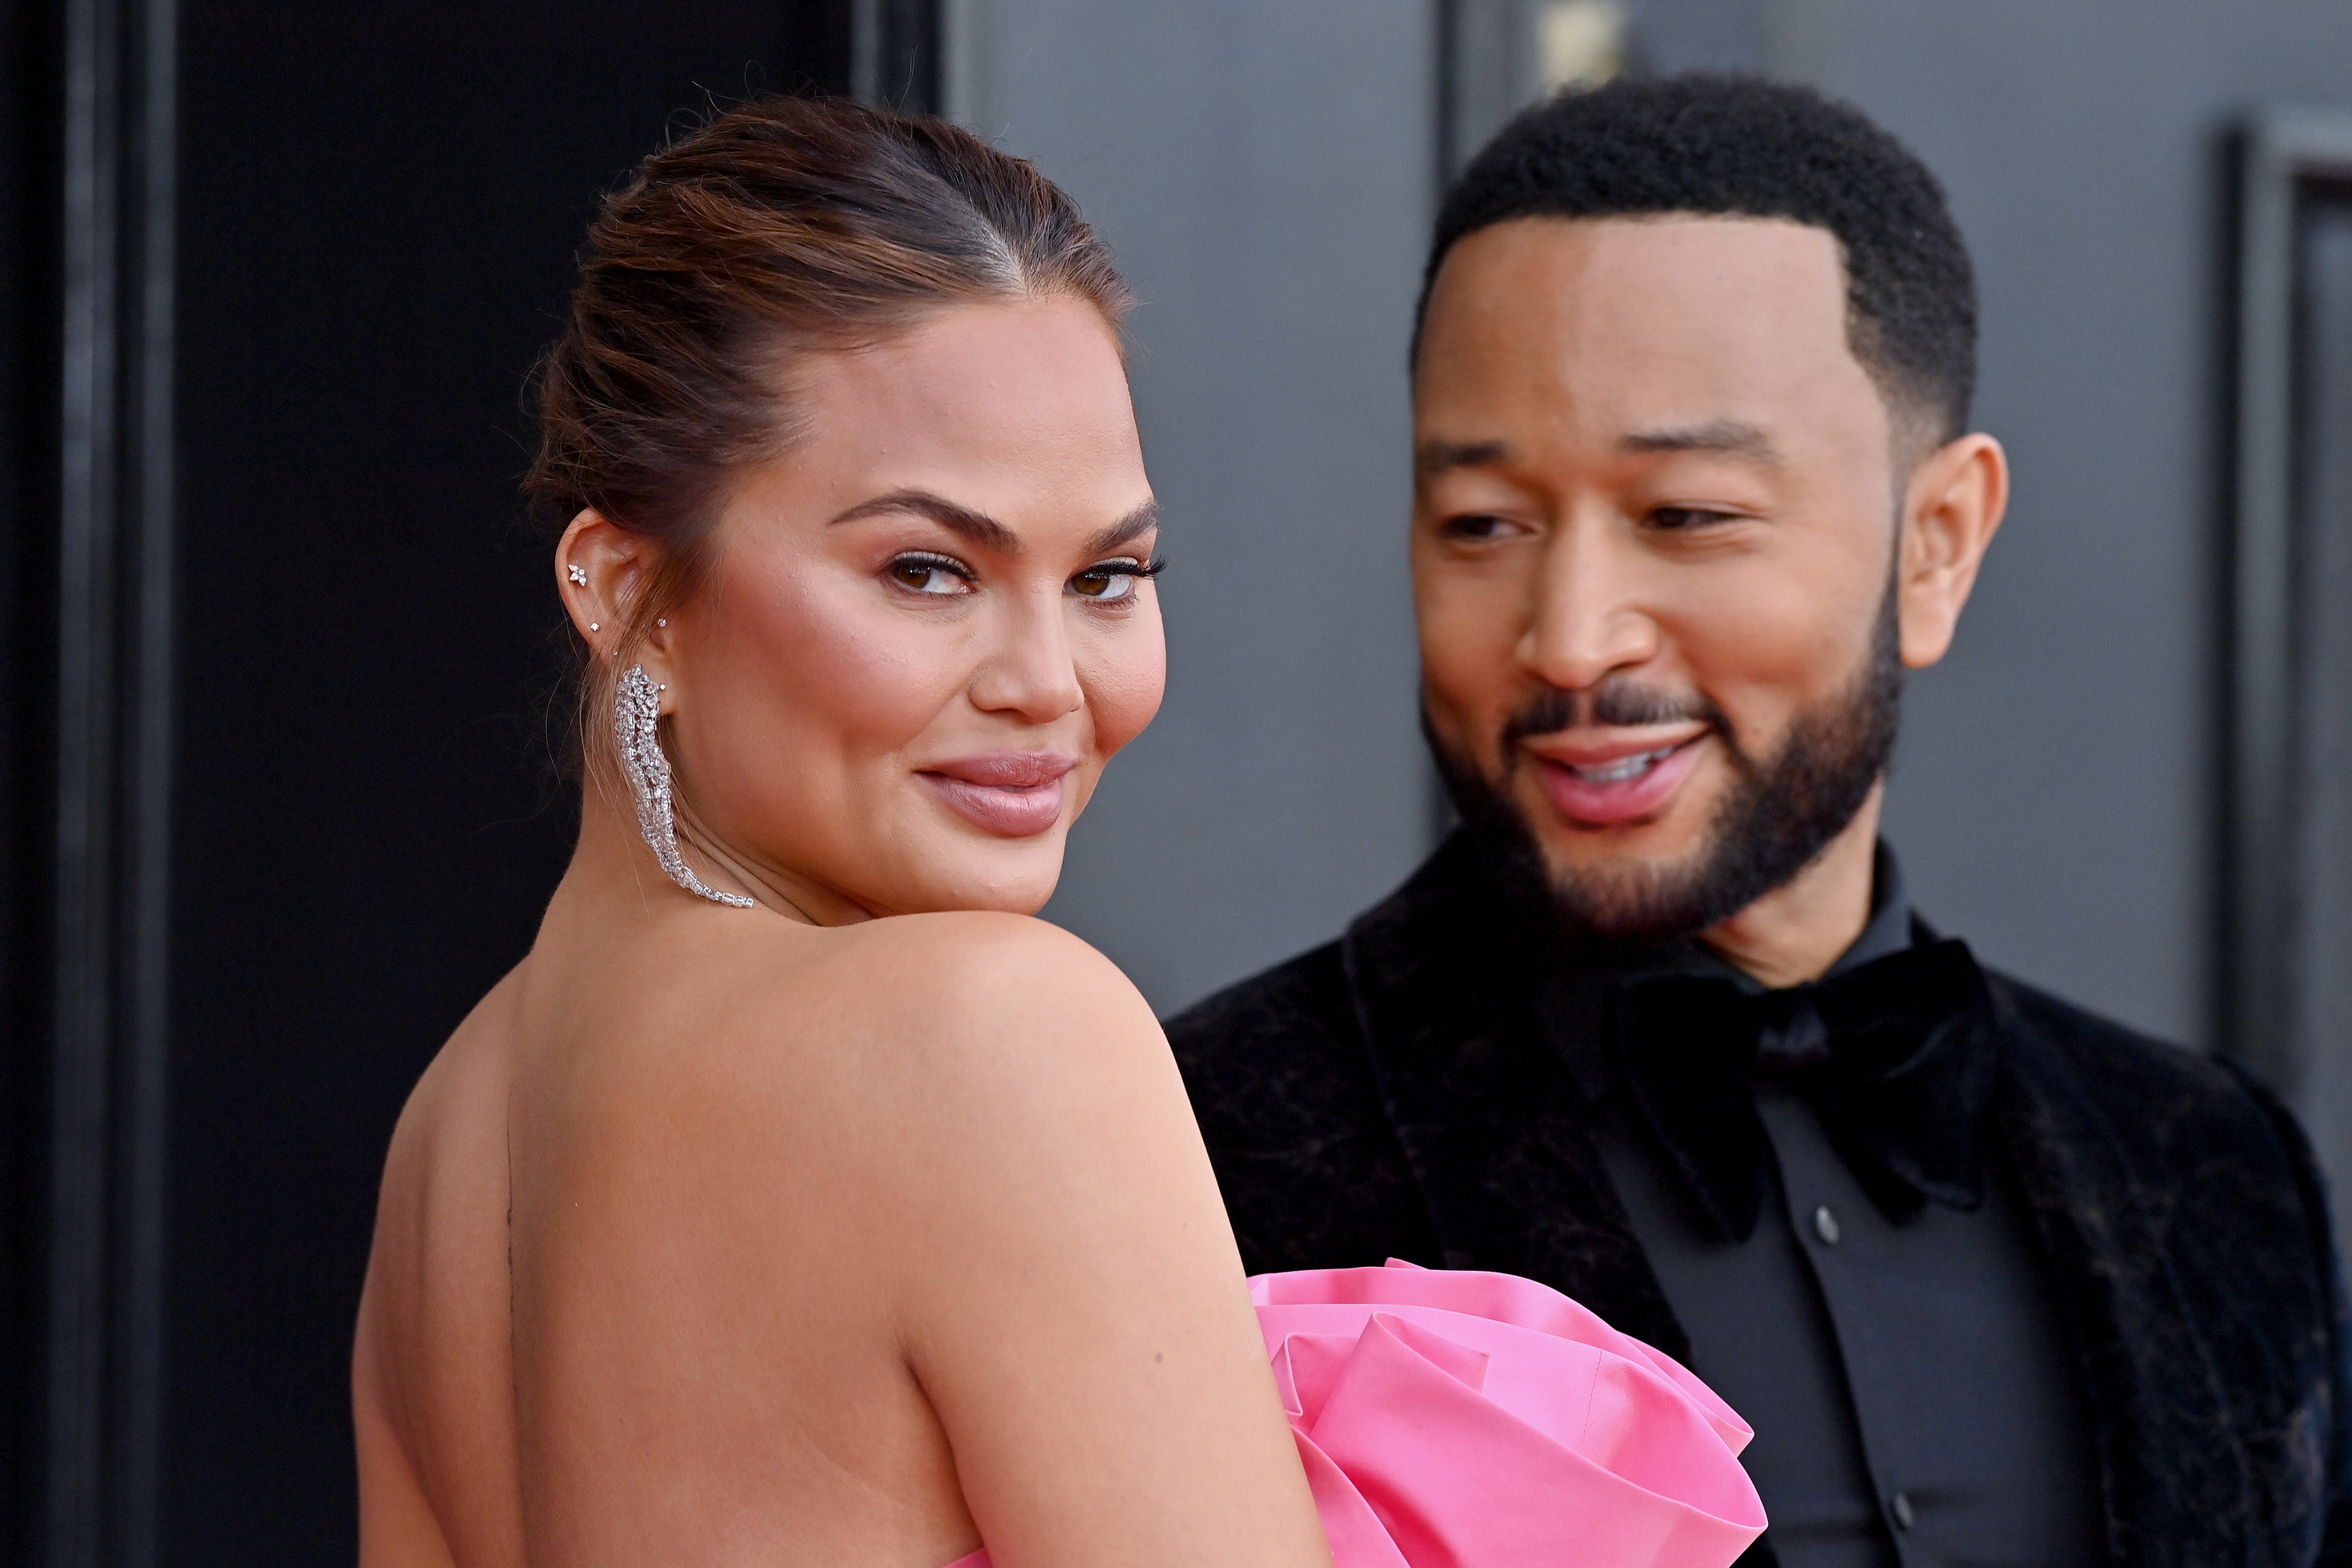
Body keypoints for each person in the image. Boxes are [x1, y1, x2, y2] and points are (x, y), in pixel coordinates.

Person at [351, 96, 1762, 1568]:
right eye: (925, 568)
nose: (1048, 685)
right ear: (627, 589)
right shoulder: (991, 1037)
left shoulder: (451, 1138)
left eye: (1107, 577)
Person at [1169, 73, 2352, 1568]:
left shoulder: (2221, 1171)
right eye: (1484, 526)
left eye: (1685, 515)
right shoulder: (1185, 1156)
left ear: (1937, 548)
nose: (1572, 639)